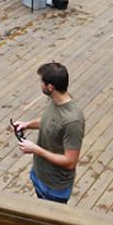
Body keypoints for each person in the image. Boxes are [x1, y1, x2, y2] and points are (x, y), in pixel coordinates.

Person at [13, 62, 85, 204]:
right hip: (39, 174)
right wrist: (27, 124)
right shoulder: (54, 100)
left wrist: (36, 149)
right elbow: (50, 121)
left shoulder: (73, 121)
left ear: (50, 87)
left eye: (42, 82)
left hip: (54, 188)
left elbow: (70, 162)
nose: (40, 85)